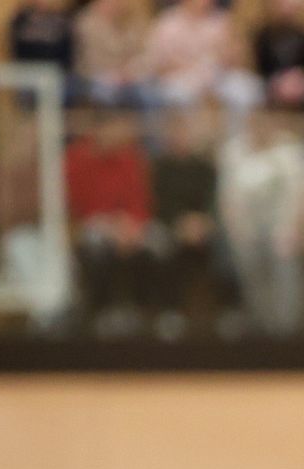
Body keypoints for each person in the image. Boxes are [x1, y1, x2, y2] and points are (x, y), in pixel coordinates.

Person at [65, 111, 161, 335]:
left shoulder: (130, 158)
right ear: (99, 130)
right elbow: (75, 206)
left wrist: (130, 225)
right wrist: (107, 226)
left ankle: (148, 311)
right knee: (97, 248)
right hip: (92, 225)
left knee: (157, 245)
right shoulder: (76, 158)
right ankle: (101, 312)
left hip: (128, 226)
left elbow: (141, 200)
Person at [219, 110, 304, 335]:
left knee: (285, 267)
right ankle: (261, 328)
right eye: (255, 125)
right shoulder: (233, 151)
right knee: (250, 270)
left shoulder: (291, 152)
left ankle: (285, 332)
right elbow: (228, 197)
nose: (260, 129)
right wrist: (238, 232)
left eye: (265, 124)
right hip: (246, 229)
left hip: (283, 229)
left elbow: (300, 195)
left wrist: (291, 231)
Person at [151, 108, 229, 335]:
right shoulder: (159, 167)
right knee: (160, 245)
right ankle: (170, 312)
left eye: (184, 130)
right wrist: (180, 223)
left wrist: (203, 223)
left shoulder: (205, 166)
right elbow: (155, 203)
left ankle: (227, 312)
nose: (180, 136)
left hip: (204, 227)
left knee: (226, 246)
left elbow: (214, 200)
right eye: (174, 131)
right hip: (169, 225)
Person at [142, 0, 260, 111]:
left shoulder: (223, 22)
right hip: (181, 77)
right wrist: (191, 69)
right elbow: (158, 64)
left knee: (245, 89)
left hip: (218, 76)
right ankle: (184, 132)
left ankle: (237, 132)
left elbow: (236, 57)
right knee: (178, 95)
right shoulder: (167, 23)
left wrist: (227, 57)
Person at [73, 0, 154, 108]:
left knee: (148, 94)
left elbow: (142, 54)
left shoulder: (131, 23)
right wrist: (115, 75)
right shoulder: (86, 24)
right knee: (106, 94)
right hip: (96, 78)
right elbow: (91, 63)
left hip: (130, 78)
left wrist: (130, 71)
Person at [250, 0, 304, 111]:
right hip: (271, 82)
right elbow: (259, 67)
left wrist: (297, 80)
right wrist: (279, 82)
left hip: (298, 82)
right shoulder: (263, 35)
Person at [7, 0, 80, 105]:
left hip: (57, 74)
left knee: (67, 88)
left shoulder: (62, 21)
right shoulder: (21, 21)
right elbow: (17, 52)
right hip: (29, 74)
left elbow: (67, 53)